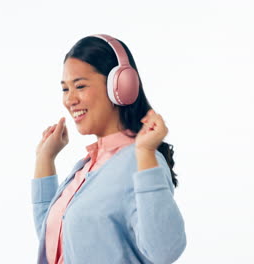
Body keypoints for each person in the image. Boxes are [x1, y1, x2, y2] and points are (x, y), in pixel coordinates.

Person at [31, 34, 187, 264]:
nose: (70, 99)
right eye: (65, 89)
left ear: (121, 86)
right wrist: (45, 159)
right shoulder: (86, 167)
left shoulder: (142, 160)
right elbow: (54, 242)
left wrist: (144, 154)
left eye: (80, 86)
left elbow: (164, 251)